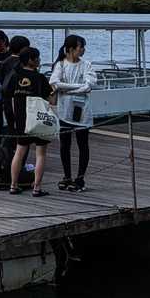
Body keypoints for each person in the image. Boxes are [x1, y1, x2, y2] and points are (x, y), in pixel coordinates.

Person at [50, 34, 96, 192]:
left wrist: (67, 89)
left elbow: (89, 85)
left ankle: (80, 178)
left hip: (82, 110)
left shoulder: (86, 65)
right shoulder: (60, 64)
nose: (83, 50)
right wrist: (77, 87)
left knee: (83, 144)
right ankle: (67, 176)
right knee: (65, 145)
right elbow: (54, 83)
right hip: (65, 110)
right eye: (80, 47)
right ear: (70, 49)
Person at [7, 47, 55, 196]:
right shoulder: (39, 78)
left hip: (21, 119)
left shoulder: (15, 76)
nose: (39, 60)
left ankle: (13, 185)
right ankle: (37, 188)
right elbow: (51, 99)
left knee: (19, 152)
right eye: (37, 58)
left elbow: (10, 97)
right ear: (31, 60)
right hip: (38, 119)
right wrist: (54, 89)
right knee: (41, 153)